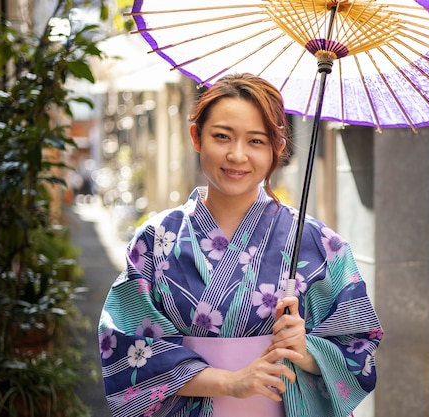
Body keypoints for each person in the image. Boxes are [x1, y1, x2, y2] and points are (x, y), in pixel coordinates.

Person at [98, 73, 383, 417]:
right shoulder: (155, 241)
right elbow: (128, 350)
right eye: (222, 136)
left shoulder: (320, 245)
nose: (236, 155)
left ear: (278, 148)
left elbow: (359, 347)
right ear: (196, 136)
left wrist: (305, 349)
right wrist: (230, 382)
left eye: (256, 141)